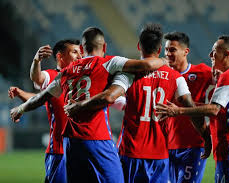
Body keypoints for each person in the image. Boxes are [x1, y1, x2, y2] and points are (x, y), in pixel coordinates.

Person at [10, 26, 168, 183]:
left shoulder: (66, 71)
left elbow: (40, 98)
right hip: (97, 137)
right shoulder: (108, 62)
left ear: (82, 48)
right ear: (104, 46)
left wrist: (20, 108)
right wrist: (164, 60)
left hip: (71, 142)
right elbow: (147, 65)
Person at [64, 23, 211, 183]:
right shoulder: (176, 77)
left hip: (130, 152)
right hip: (159, 155)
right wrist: (206, 137)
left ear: (139, 46)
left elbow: (108, 96)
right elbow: (191, 109)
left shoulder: (128, 74)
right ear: (160, 49)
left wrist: (80, 105)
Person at [156, 35, 229, 183]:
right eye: (166, 49)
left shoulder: (226, 75)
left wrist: (179, 111)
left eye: (214, 51)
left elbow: (214, 109)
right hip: (221, 148)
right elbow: (220, 109)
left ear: (226, 54)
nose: (210, 55)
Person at [9, 39, 82, 183]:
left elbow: (43, 99)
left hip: (82, 151)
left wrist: (22, 95)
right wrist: (36, 61)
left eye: (80, 52)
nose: (80, 56)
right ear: (60, 57)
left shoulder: (82, 79)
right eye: (75, 52)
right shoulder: (52, 76)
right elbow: (37, 78)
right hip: (60, 152)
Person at [164, 31, 213, 183]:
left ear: (186, 52)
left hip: (194, 145)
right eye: (166, 49)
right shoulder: (163, 74)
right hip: (166, 146)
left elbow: (227, 87)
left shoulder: (202, 72)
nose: (167, 53)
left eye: (172, 50)